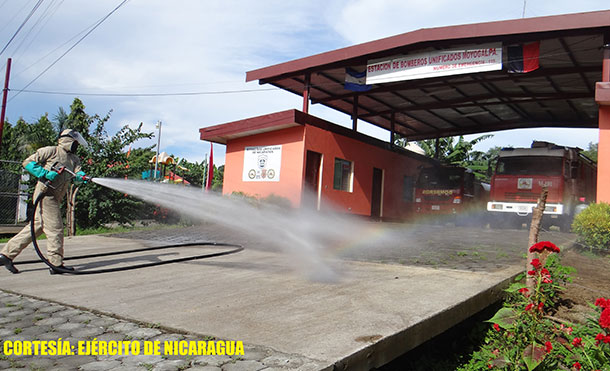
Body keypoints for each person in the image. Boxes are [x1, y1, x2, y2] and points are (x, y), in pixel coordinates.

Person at [0, 129, 89, 275]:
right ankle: (55, 264)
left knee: (36, 228)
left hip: (56, 196)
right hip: (46, 195)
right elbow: (28, 162)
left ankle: (6, 255)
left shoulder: (74, 159)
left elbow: (77, 173)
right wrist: (44, 173)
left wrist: (82, 177)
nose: (76, 145)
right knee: (55, 229)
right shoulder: (52, 151)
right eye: (74, 141)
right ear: (67, 140)